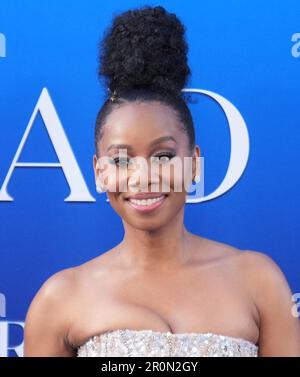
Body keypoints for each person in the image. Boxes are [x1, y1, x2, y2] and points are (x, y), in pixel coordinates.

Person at [24, 5, 300, 357]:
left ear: (194, 162)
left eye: (164, 156)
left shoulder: (260, 281)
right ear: (98, 172)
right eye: (121, 159)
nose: (143, 177)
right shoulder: (60, 299)